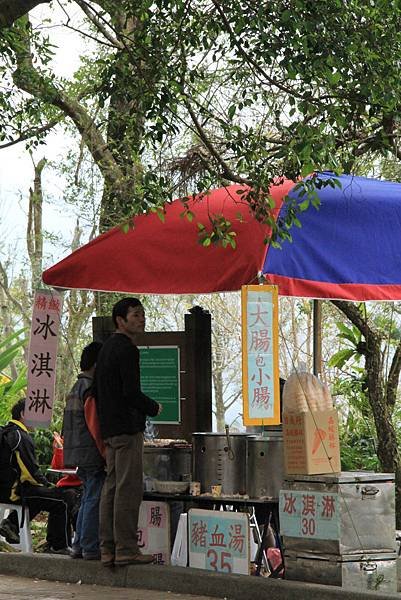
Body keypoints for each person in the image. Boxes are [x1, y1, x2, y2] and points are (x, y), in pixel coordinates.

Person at [94, 297, 161, 567]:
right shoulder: (127, 350)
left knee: (111, 487)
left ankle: (107, 548)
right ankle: (126, 548)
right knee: (127, 489)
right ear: (120, 320)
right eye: (135, 315)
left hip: (110, 429)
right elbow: (130, 392)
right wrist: (153, 407)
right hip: (126, 428)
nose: (141, 319)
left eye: (142, 314)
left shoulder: (106, 349)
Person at [0, 399, 72, 553]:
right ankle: (58, 546)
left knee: (43, 495)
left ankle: (11, 523)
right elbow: (30, 472)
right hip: (13, 492)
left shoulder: (6, 431)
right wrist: (47, 485)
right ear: (23, 414)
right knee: (61, 499)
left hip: (5, 490)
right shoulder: (21, 436)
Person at [63, 341, 105, 560]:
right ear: (97, 365)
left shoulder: (75, 388)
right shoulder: (89, 388)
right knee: (93, 498)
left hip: (77, 453)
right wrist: (105, 452)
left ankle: (78, 544)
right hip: (91, 453)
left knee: (88, 496)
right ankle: (90, 546)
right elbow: (94, 425)